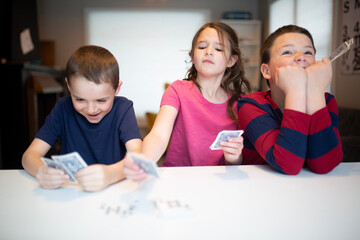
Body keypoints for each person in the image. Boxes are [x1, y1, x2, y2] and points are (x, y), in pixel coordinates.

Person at [124, 21, 251, 181]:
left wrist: (234, 158)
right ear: (192, 56)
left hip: (218, 182)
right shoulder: (177, 90)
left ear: (231, 61)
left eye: (218, 48)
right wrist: (145, 159)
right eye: (202, 47)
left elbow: (236, 164)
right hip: (177, 179)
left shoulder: (239, 103)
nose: (209, 52)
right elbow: (158, 135)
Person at [22, 45, 142, 191]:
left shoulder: (123, 109)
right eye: (80, 100)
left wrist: (111, 174)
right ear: (69, 87)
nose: (91, 110)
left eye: (101, 100)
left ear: (117, 89)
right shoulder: (63, 108)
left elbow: (137, 154)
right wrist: (41, 171)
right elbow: (29, 156)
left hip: (114, 190)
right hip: (70, 192)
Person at [238, 25, 343, 175]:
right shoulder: (250, 105)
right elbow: (288, 165)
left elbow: (325, 165)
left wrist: (315, 92)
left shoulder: (326, 101)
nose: (301, 57)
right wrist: (296, 90)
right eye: (287, 52)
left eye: (308, 52)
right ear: (266, 71)